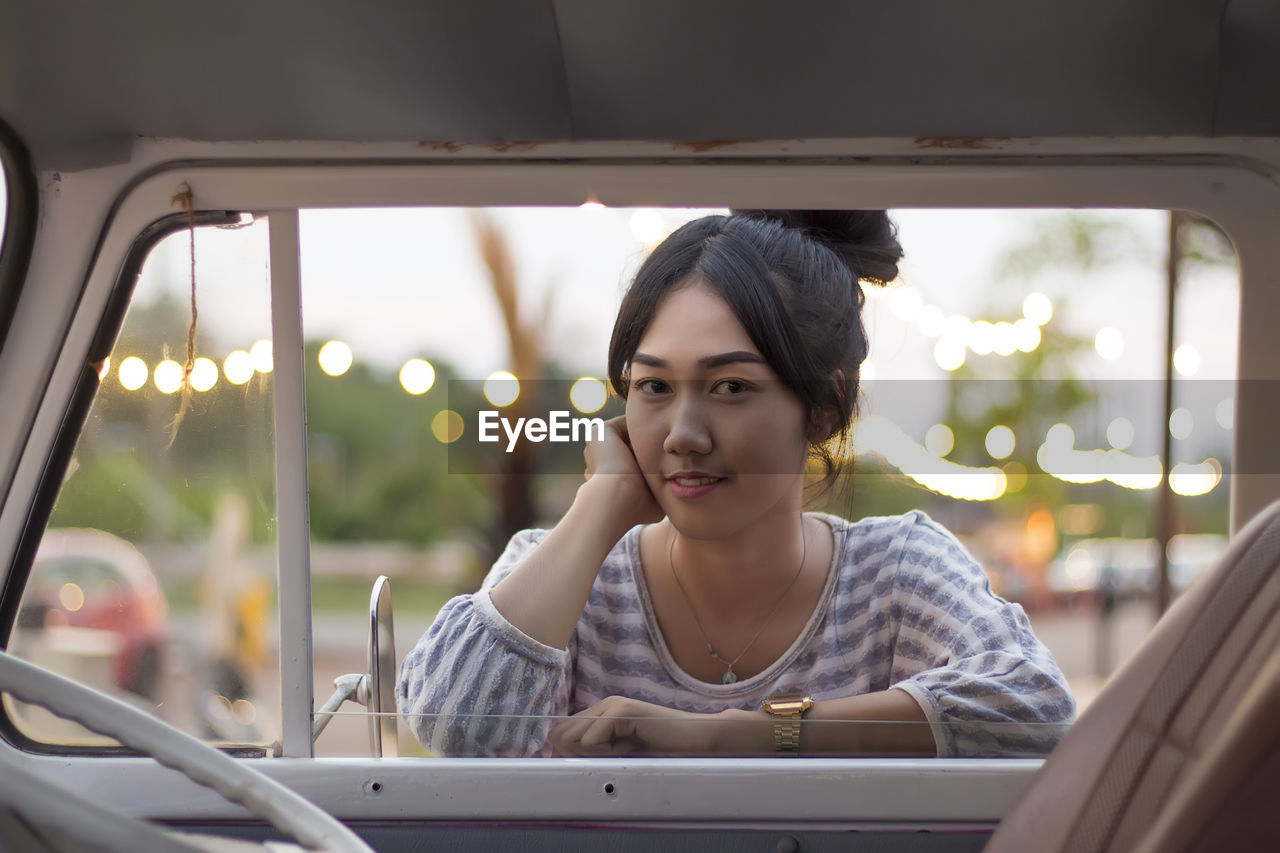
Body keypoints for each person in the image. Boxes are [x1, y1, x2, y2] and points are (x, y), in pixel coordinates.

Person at [397, 210, 1076, 758]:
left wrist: (742, 731)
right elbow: (453, 723)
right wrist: (601, 503)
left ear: (824, 408)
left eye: (730, 386)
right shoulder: (572, 574)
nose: (682, 432)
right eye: (653, 386)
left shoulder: (894, 573)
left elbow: (1035, 706)